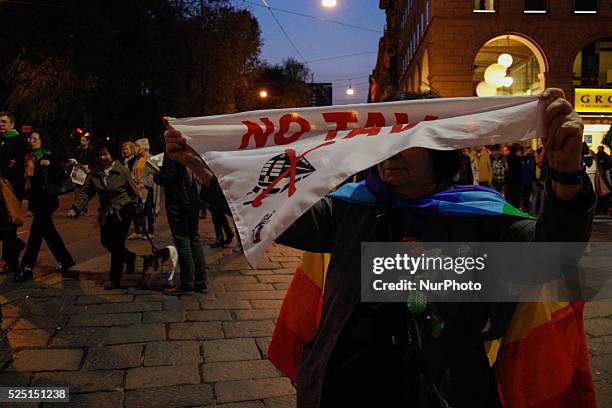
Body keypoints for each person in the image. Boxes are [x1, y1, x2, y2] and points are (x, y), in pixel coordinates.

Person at [163, 89, 594, 407]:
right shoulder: (352, 210)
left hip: (439, 393)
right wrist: (204, 169)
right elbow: (275, 218)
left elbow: (552, 257)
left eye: (405, 142)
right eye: (382, 141)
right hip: (343, 387)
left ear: (441, 150)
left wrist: (566, 177)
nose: (388, 154)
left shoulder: (480, 218)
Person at [68, 140, 138, 290]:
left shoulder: (122, 171)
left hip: (122, 212)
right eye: (100, 154)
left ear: (112, 154)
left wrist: (133, 210)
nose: (102, 157)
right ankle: (129, 257)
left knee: (117, 244)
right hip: (106, 214)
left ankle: (114, 279)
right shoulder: (96, 173)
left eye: (105, 154)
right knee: (106, 241)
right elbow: (86, 191)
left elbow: (134, 193)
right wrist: (76, 208)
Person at [14, 131, 75, 282]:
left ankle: (27, 267)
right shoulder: (28, 158)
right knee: (49, 233)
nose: (31, 140)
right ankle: (66, 259)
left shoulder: (47, 156)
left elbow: (61, 175)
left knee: (35, 233)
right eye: (31, 138)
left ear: (42, 141)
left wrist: (49, 165)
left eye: (35, 138)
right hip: (36, 202)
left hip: (48, 201)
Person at [154, 155, 207, 294]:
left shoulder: (172, 152)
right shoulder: (190, 148)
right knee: (194, 238)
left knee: (182, 240)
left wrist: (157, 175)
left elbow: (168, 178)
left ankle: (187, 282)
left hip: (178, 202)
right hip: (193, 199)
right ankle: (200, 281)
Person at [0, 112, 27, 275]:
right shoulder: (1, 140)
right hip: (1, 187)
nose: (1, 125)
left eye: (3, 122)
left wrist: (7, 172)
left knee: (8, 225)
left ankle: (10, 261)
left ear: (12, 124)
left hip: (10, 189)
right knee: (4, 226)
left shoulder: (18, 142)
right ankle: (16, 245)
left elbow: (19, 167)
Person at [128, 138, 158, 239]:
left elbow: (154, 174)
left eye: (138, 146)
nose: (136, 148)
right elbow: (133, 171)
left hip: (147, 189)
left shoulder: (152, 159)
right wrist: (132, 178)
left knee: (148, 210)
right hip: (136, 188)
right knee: (137, 210)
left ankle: (150, 231)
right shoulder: (136, 159)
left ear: (144, 147)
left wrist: (143, 183)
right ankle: (138, 231)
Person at [505, 143, 523, 208]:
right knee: (516, 200)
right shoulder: (518, 159)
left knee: (509, 199)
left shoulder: (507, 157)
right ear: (516, 150)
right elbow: (520, 171)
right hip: (516, 183)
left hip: (508, 182)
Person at [520, 147, 536, 212]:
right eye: (528, 151)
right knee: (524, 194)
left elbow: (533, 168)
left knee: (528, 193)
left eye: (530, 151)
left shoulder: (533, 158)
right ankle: (524, 206)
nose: (529, 152)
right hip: (524, 178)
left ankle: (527, 207)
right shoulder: (523, 158)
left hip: (530, 179)